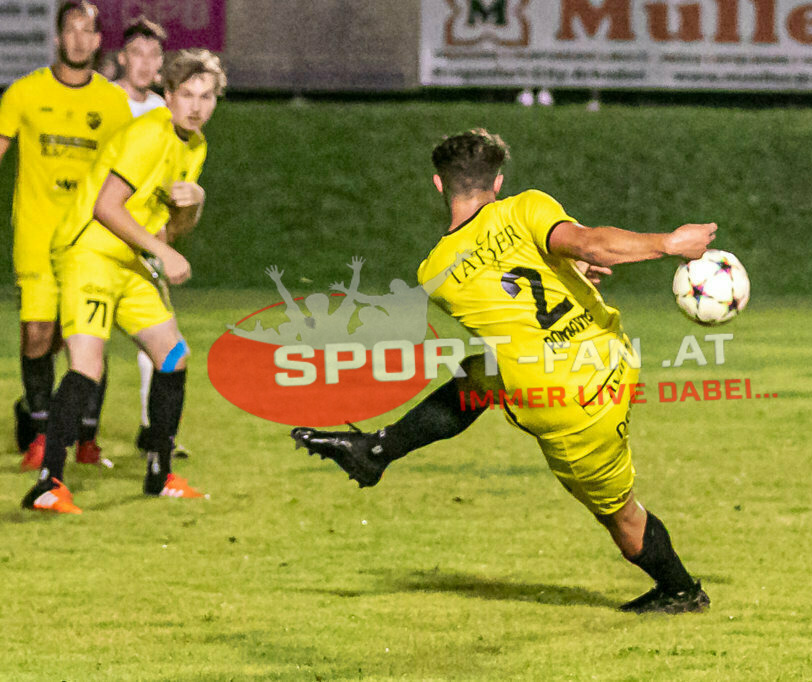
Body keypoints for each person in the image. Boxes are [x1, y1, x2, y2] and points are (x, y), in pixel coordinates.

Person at [292, 129, 718, 614]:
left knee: (619, 515)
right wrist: (665, 243)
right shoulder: (527, 208)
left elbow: (507, 291)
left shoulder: (435, 274)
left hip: (567, 407)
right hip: (608, 358)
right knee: (481, 373)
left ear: (439, 184)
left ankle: (681, 591)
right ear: (497, 182)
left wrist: (598, 261)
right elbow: (586, 245)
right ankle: (377, 450)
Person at [20, 48, 227, 514]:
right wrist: (163, 253)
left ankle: (160, 474)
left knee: (172, 356)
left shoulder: (195, 146)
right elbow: (105, 207)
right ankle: (48, 484)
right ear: (167, 95)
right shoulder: (149, 134)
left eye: (206, 96)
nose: (196, 106)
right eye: (187, 94)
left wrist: (194, 203)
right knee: (87, 366)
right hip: (89, 253)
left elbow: (170, 228)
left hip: (128, 259)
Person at [0, 1, 132, 471]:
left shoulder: (113, 103)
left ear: (97, 40)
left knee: (85, 336)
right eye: (70, 29)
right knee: (38, 335)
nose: (78, 39)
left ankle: (87, 439)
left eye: (87, 31)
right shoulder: (23, 92)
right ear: (57, 38)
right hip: (37, 235)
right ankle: (39, 435)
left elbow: (130, 170)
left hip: (89, 240)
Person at [112, 16, 191, 459]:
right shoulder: (104, 102)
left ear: (162, 64)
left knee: (159, 339)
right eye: (136, 53)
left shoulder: (165, 110)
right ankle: (73, 435)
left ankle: (153, 431)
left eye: (153, 55)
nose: (144, 63)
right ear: (121, 58)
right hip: (98, 237)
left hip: (144, 241)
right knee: (77, 341)